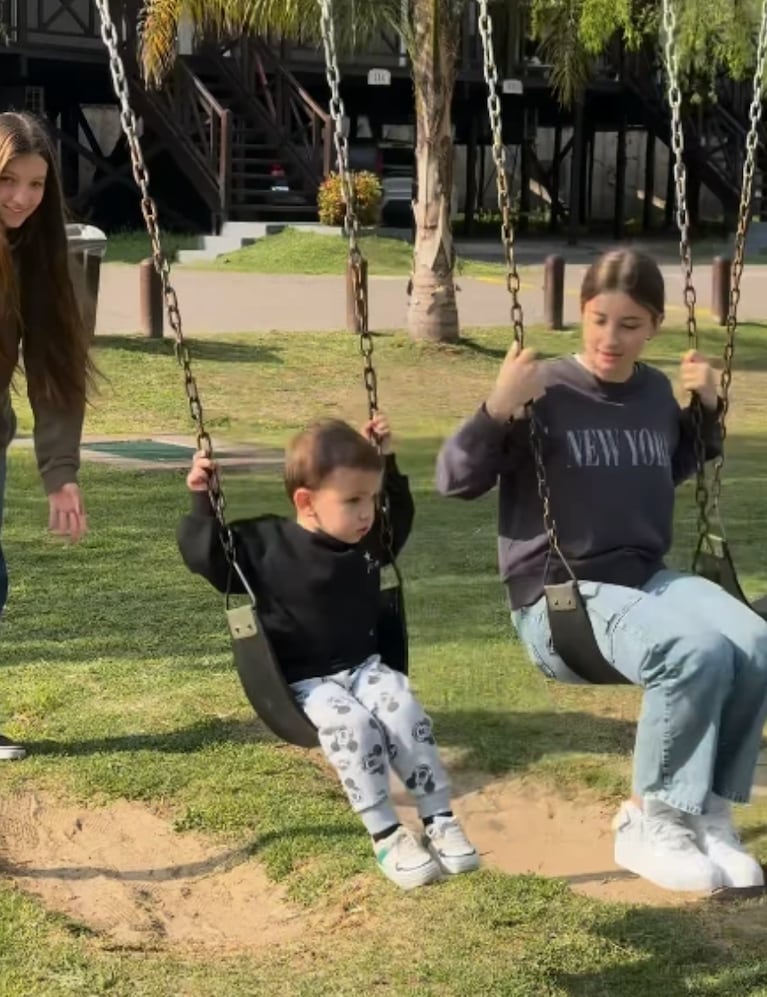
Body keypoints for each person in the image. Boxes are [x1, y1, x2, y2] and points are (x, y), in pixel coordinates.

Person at [435, 248, 767, 893]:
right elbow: (454, 481)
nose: (611, 338)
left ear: (656, 326)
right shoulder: (546, 389)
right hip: (560, 599)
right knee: (694, 650)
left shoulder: (650, 393)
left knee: (754, 642)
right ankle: (649, 822)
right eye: (598, 319)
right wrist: (497, 406)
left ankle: (708, 815)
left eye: (630, 324)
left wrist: (704, 411)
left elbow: (665, 468)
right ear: (581, 315)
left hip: (643, 578)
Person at [177, 415, 479, 890]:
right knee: (352, 727)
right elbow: (206, 556)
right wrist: (202, 498)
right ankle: (385, 833)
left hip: (365, 667)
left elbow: (400, 517)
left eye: (371, 500)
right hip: (303, 684)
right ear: (306, 502)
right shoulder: (264, 545)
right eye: (353, 501)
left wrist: (386, 462)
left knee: (402, 706)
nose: (367, 514)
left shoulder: (368, 543)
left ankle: (438, 817)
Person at [0, 111, 94, 762]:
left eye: (35, 184)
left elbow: (55, 365)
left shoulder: (35, 248)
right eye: (8, 180)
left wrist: (61, 470)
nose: (21, 198)